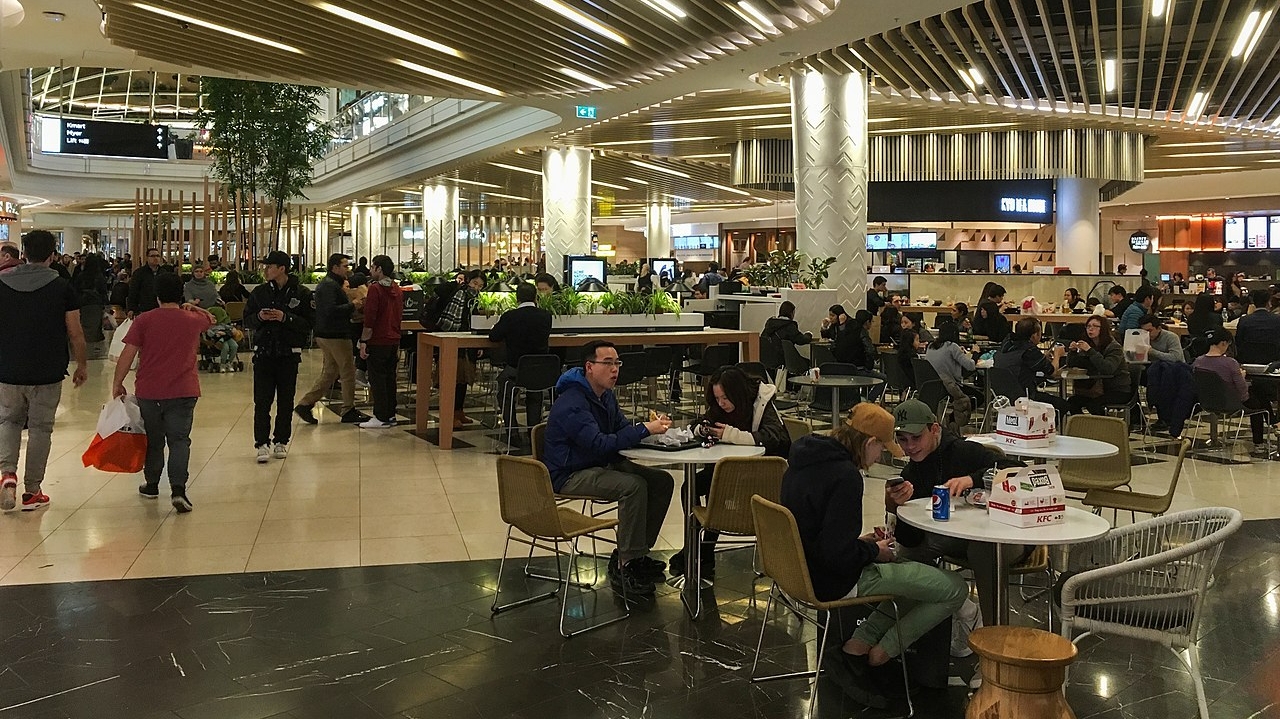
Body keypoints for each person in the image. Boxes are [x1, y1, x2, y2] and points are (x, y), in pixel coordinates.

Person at [782, 404, 966, 705]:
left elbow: (819, 532)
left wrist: (860, 543)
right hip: (835, 581)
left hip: (799, 571)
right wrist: (874, 552)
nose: (881, 456)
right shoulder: (845, 476)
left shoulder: (801, 461)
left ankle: (857, 647)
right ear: (869, 443)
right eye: (882, 447)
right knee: (953, 589)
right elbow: (839, 556)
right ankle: (882, 653)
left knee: (917, 582)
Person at [542, 340, 675, 595]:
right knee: (633, 486)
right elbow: (598, 444)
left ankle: (636, 554)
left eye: (617, 363)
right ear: (589, 367)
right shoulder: (573, 402)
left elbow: (620, 430)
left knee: (662, 481)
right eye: (608, 363)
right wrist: (643, 430)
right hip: (571, 473)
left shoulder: (604, 396)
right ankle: (625, 564)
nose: (615, 369)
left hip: (599, 464)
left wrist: (647, 430)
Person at [885, 399, 1025, 626]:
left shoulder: (963, 451)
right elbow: (911, 540)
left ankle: (992, 634)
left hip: (1002, 537)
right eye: (903, 439)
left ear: (935, 429)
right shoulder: (911, 472)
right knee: (898, 558)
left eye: (917, 437)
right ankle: (958, 614)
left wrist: (973, 479)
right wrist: (896, 506)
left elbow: (1017, 470)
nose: (909, 446)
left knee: (983, 551)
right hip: (951, 539)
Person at [669, 366, 790, 578]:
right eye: (717, 398)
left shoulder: (762, 400)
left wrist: (732, 435)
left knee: (720, 488)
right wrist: (702, 429)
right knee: (692, 485)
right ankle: (695, 545)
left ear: (738, 393)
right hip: (728, 470)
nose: (721, 403)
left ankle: (703, 551)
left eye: (725, 398)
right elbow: (697, 424)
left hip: (762, 473)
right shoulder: (719, 406)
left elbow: (775, 437)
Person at [110, 273, 215, 513]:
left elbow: (128, 353)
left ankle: (152, 484)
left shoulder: (144, 320)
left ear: (156, 296)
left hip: (150, 391)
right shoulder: (190, 320)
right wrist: (191, 308)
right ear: (180, 294)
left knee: (154, 441)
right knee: (179, 441)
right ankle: (178, 490)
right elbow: (210, 319)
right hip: (184, 390)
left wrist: (117, 382)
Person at [0, 230, 88, 512]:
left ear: (23, 253)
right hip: (48, 370)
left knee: (8, 422)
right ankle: (32, 490)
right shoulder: (63, 287)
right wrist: (82, 365)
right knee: (40, 428)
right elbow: (75, 332)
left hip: (8, 367)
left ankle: (7, 475)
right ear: (52, 255)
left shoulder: (1, 283)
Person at [244, 251, 314, 463]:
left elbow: (310, 323)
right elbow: (247, 320)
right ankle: (261, 443)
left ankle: (281, 440)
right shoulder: (260, 292)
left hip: (288, 354)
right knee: (262, 401)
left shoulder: (301, 293)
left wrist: (286, 318)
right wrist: (259, 317)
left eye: (269, 266)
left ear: (282, 268)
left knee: (286, 400)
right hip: (264, 353)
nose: (265, 270)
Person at [294, 253, 368, 425]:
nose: (348, 269)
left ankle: (305, 404)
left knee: (330, 372)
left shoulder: (332, 284)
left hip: (328, 333)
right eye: (345, 266)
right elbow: (330, 311)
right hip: (335, 334)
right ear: (335, 267)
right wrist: (353, 305)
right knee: (348, 372)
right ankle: (348, 409)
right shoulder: (329, 286)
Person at [488, 281, 553, 444]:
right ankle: (534, 433)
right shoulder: (546, 316)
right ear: (535, 297)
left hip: (515, 369)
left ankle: (512, 433)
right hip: (539, 369)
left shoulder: (510, 316)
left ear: (516, 298)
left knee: (504, 392)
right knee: (535, 393)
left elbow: (494, 336)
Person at [1193, 328, 1276, 451]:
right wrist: (1241, 377)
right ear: (1223, 343)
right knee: (1258, 401)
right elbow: (1243, 393)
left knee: (1257, 394)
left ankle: (1274, 422)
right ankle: (1261, 438)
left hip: (1207, 402)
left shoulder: (1197, 362)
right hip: (1230, 403)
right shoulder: (1230, 363)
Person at [357, 255, 404, 429]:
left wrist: (363, 341)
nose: (370, 270)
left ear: (379, 269)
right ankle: (390, 414)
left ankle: (380, 415)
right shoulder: (397, 289)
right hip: (393, 339)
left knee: (377, 379)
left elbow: (370, 318)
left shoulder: (375, 289)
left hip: (378, 339)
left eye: (373, 267)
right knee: (390, 378)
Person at [438, 269, 487, 429]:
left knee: (464, 379)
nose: (477, 288)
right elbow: (453, 319)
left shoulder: (479, 299)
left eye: (480, 285)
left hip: (469, 343)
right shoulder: (461, 294)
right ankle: (449, 414)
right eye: (475, 283)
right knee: (453, 379)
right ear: (468, 281)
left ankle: (459, 411)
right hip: (455, 341)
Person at [992, 317, 1067, 412]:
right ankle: (1047, 426)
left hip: (1002, 397)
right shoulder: (1029, 350)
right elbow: (1052, 372)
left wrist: (1043, 357)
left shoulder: (1006, 344)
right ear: (1034, 335)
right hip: (1025, 398)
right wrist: (1057, 355)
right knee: (1062, 405)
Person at [1065, 315, 1130, 415]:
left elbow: (1108, 369)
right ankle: (1082, 426)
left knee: (1094, 405)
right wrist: (1072, 352)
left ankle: (1104, 427)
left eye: (1095, 326)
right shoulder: (1088, 344)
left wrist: (1090, 351)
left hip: (1116, 389)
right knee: (1072, 402)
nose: (1091, 329)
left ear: (1103, 329)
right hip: (1093, 389)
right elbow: (1072, 364)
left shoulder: (1114, 347)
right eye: (1088, 326)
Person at [925, 322, 981, 427]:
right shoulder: (952, 346)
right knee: (979, 397)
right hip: (951, 386)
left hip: (933, 385)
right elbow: (970, 366)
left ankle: (952, 418)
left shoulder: (931, 346)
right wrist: (975, 353)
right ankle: (952, 419)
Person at [833, 309, 887, 402]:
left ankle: (863, 398)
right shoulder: (862, 332)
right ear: (867, 322)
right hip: (858, 369)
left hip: (842, 368)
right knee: (883, 378)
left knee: (869, 377)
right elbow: (870, 351)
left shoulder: (846, 329)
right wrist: (869, 367)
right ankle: (868, 400)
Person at [760, 300, 812, 371]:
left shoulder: (770, 325)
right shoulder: (789, 325)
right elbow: (801, 340)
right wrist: (809, 334)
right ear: (791, 313)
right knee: (809, 363)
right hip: (783, 360)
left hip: (767, 360)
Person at [1236, 288, 1280, 364]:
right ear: (1269, 303)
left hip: (1248, 359)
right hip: (1273, 360)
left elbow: (1238, 342)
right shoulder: (1277, 320)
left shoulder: (1244, 320)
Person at [127, 247, 163, 317]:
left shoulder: (164, 273)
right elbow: (133, 291)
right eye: (152, 256)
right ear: (147, 258)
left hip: (160, 309)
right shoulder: (139, 273)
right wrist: (131, 308)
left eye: (157, 256)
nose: (155, 258)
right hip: (144, 309)